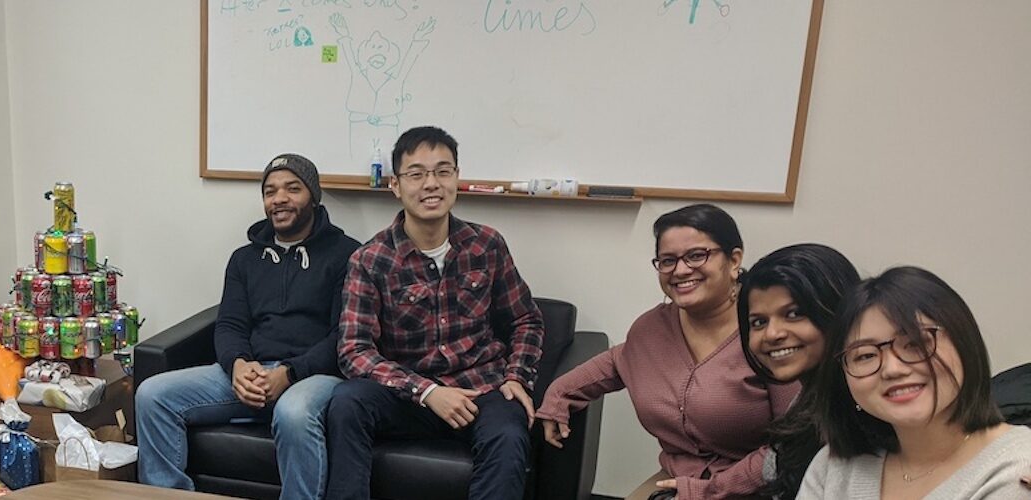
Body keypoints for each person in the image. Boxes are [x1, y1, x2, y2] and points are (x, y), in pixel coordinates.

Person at [327, 126, 544, 500]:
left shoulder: (487, 245)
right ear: (395, 185)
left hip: (482, 389)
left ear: (457, 178)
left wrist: (517, 377)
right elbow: (354, 351)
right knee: (347, 402)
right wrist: (426, 391)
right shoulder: (370, 259)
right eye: (417, 174)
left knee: (510, 430)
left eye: (443, 171)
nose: (432, 184)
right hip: (408, 396)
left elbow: (527, 319)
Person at [536, 203, 798, 499]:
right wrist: (558, 395)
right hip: (678, 481)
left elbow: (791, 445)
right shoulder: (652, 328)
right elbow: (617, 361)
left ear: (734, 259)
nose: (681, 270)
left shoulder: (768, 332)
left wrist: (711, 490)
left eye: (697, 255)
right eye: (668, 260)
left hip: (760, 488)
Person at [136, 154, 360, 500]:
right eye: (270, 191)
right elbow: (229, 324)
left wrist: (289, 373)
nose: (279, 199)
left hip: (314, 377)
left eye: (292, 189)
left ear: (313, 196)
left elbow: (343, 337)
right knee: (153, 395)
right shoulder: (245, 258)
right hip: (252, 371)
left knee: (294, 412)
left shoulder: (348, 255)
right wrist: (238, 365)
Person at [798, 266, 1031, 499]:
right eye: (865, 355)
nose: (892, 369)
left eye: (916, 343)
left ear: (964, 343)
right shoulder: (834, 467)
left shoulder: (1015, 467)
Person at [733, 243, 861, 499]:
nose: (772, 334)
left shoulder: (863, 415)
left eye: (794, 314)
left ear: (838, 312)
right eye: (759, 322)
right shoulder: (808, 400)